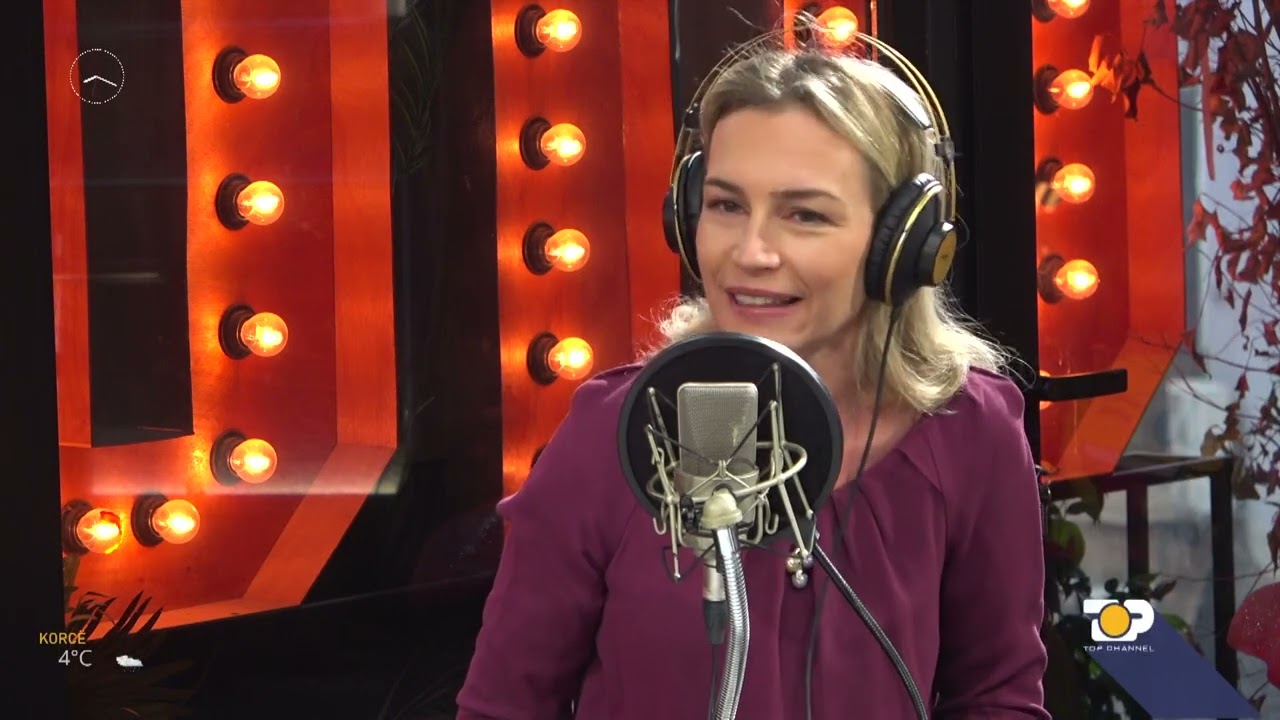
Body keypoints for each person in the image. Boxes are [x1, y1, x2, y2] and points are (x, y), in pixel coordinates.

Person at [456, 35, 1049, 720]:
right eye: (726, 205)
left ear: (902, 244)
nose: (750, 252)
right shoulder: (615, 429)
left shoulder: (970, 430)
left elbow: (998, 698)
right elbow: (501, 708)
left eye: (805, 215)